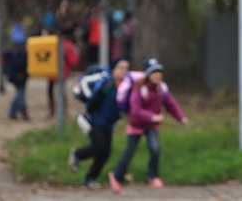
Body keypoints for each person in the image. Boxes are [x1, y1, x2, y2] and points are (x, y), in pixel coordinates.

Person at [108, 58, 188, 192]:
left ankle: (153, 176)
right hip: (136, 124)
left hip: (151, 125)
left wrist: (181, 117)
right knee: (129, 152)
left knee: (155, 148)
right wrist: (153, 117)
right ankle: (116, 175)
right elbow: (135, 110)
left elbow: (171, 104)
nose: (157, 75)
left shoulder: (162, 88)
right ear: (148, 75)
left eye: (159, 72)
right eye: (154, 72)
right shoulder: (139, 89)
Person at [68, 58, 126, 189]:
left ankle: (90, 178)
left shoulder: (124, 87)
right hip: (94, 120)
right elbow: (95, 98)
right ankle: (77, 154)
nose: (124, 71)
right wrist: (90, 111)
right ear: (113, 69)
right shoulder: (108, 84)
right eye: (120, 68)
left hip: (108, 124)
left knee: (105, 153)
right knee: (98, 146)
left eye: (126, 68)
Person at [47, 25, 80, 118]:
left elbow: (74, 58)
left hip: (62, 72)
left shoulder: (66, 45)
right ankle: (53, 111)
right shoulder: (49, 44)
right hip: (52, 72)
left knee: (61, 91)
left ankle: (63, 111)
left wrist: (65, 57)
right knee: (51, 91)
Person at [4, 26, 29, 121]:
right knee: (20, 95)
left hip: (20, 77)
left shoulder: (14, 53)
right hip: (18, 77)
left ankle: (12, 112)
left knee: (19, 94)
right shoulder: (17, 54)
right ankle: (24, 112)